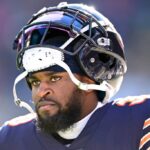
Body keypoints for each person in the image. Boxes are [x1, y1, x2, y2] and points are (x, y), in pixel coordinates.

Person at [0, 2, 150, 150]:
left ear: (90, 77)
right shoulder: (11, 138)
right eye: (35, 81)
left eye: (54, 78)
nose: (41, 91)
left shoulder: (137, 121)